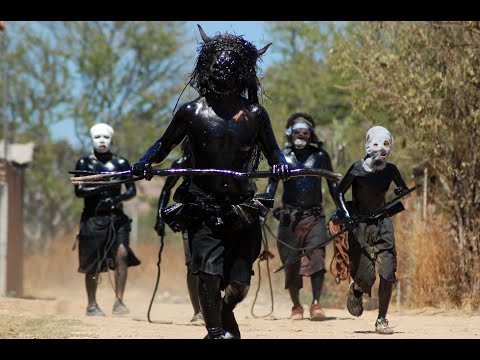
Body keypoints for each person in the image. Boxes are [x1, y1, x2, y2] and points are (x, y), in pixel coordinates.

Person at [131, 25, 291, 339]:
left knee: (240, 284)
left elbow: (274, 153)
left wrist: (281, 166)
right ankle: (216, 332)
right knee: (208, 273)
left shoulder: (256, 115)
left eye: (228, 69)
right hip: (203, 205)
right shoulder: (192, 113)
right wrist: (144, 163)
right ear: (207, 69)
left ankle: (219, 316)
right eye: (216, 68)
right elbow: (162, 147)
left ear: (241, 74)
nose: (221, 74)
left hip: (243, 208)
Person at [335, 125, 408, 334]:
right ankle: (357, 289)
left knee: (387, 273)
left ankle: (382, 319)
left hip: (383, 223)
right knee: (366, 277)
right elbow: (339, 193)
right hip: (359, 226)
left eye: (386, 144)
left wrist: (401, 190)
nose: (382, 149)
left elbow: (401, 188)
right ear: (368, 146)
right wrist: (347, 217)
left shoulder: (391, 170)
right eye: (377, 144)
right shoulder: (357, 169)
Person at [264, 113, 338, 321]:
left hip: (314, 215)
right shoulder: (281, 157)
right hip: (289, 217)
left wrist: (343, 209)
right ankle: (296, 306)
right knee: (290, 262)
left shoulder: (321, 156)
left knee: (317, 256)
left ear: (311, 134)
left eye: (305, 132)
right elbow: (271, 186)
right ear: (290, 134)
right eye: (297, 132)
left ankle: (316, 303)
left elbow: (332, 184)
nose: (301, 136)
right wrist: (264, 209)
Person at [74, 123, 140, 316]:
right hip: (93, 218)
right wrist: (101, 186)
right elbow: (79, 191)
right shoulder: (84, 164)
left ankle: (119, 301)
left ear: (111, 139)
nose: (102, 141)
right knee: (92, 261)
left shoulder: (120, 164)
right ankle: (91, 304)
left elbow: (131, 190)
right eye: (97, 137)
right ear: (92, 140)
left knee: (122, 253)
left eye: (105, 137)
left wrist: (116, 198)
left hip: (116, 218)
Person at [154, 138, 204, 325]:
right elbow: (167, 190)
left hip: (214, 217)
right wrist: (160, 217)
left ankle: (215, 307)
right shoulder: (181, 164)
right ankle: (198, 312)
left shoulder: (216, 162)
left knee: (214, 264)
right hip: (190, 219)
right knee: (192, 265)